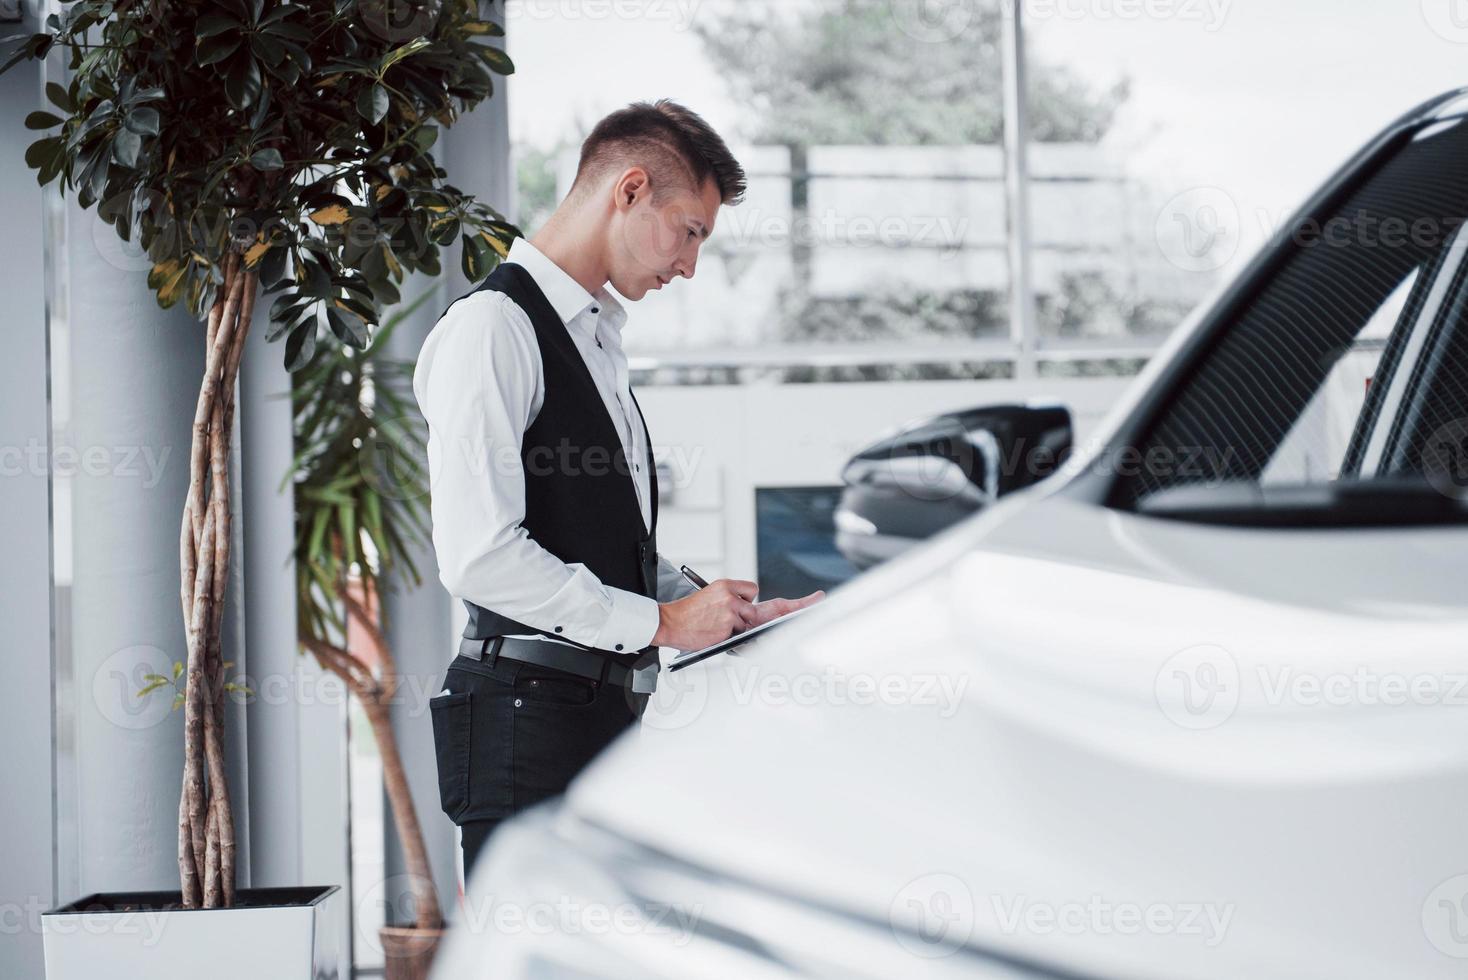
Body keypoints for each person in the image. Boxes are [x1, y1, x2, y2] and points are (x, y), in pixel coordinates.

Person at [414, 99, 825, 875]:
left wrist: (720, 614)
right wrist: (666, 620)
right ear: (630, 190)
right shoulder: (494, 329)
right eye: (691, 231)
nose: (690, 265)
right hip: (522, 720)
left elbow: (597, 538)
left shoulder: (593, 339)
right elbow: (481, 557)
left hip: (594, 712)